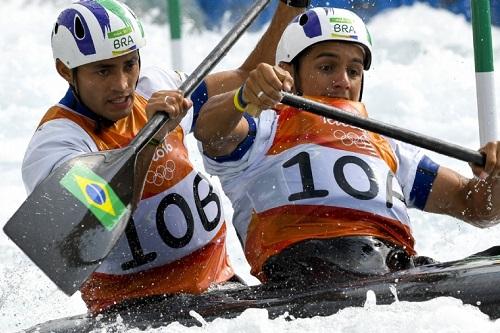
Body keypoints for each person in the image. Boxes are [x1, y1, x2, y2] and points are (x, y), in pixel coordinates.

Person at [21, 0, 308, 314]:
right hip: (134, 311)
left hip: (221, 290)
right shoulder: (56, 143)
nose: (121, 85)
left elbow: (245, 75)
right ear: (65, 70)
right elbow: (94, 222)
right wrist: (152, 139)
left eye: (129, 64)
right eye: (103, 70)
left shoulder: (156, 86)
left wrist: (290, 8)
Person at [194, 7, 500, 285]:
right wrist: (242, 97)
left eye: (353, 71)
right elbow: (209, 131)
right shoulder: (262, 128)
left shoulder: (387, 145)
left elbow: (475, 205)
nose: (343, 81)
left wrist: (496, 177)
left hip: (396, 269)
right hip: (306, 277)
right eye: (327, 68)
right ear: (288, 73)